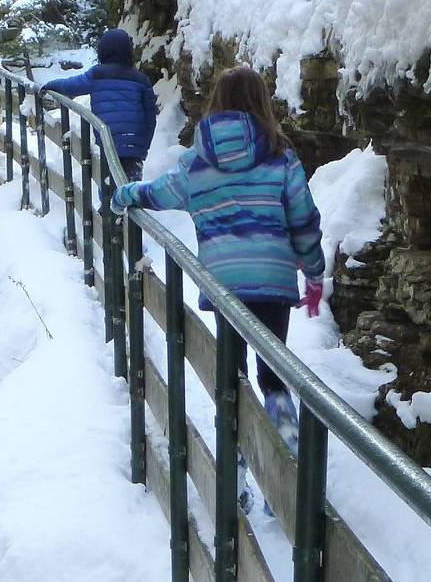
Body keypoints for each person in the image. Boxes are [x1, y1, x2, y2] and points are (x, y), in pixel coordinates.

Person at [106, 65, 325, 456]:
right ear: (262, 103)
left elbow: (159, 193)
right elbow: (304, 220)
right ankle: (290, 461)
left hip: (225, 286)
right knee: (273, 377)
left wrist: (126, 194)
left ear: (216, 102)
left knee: (232, 379)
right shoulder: (280, 156)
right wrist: (313, 272)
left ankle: (235, 468)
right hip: (272, 283)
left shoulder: (198, 161)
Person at [40, 28, 157, 182]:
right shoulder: (141, 80)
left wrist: (50, 85)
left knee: (109, 185)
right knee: (130, 187)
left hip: (108, 142)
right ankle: (130, 204)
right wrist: (144, 145)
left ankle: (109, 204)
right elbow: (150, 117)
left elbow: (72, 85)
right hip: (134, 146)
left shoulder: (97, 75)